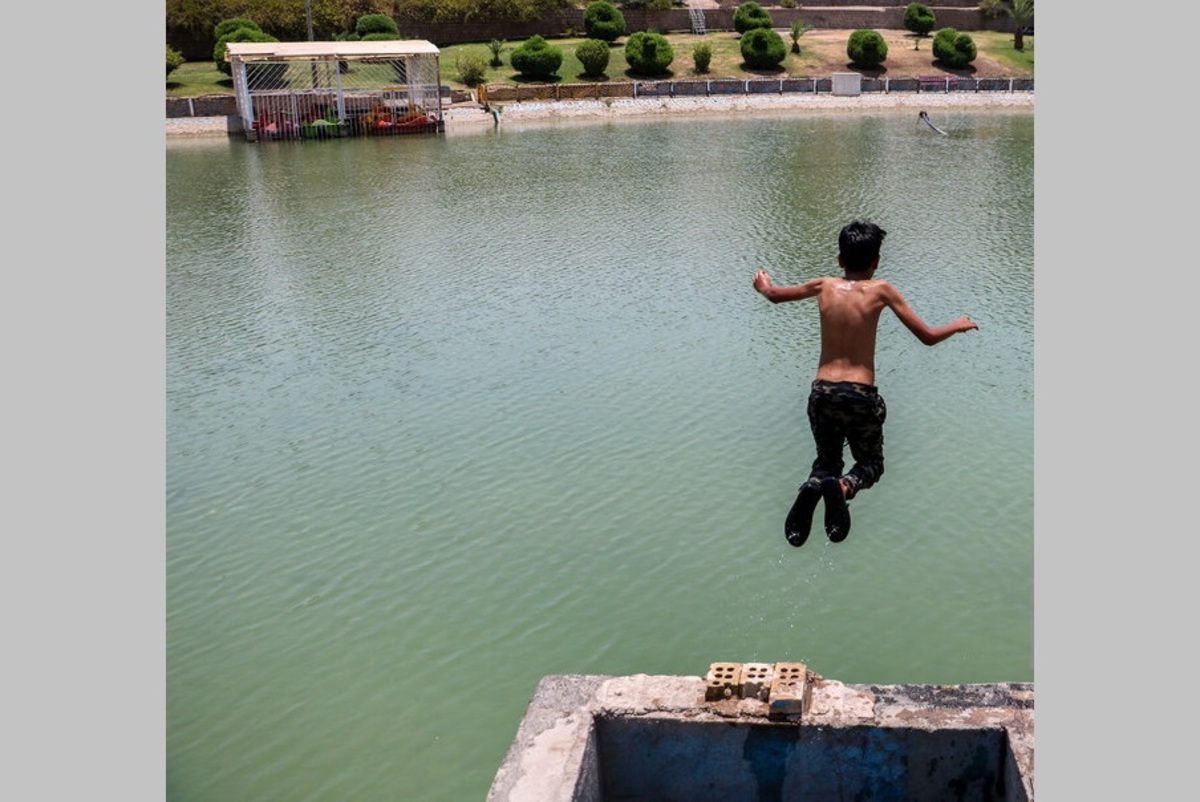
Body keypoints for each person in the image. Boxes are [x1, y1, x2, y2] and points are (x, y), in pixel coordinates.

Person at [752, 220, 978, 546]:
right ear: (876, 262)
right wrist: (957, 325)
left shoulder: (824, 285)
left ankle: (814, 486)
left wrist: (763, 283)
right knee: (871, 465)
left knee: (826, 463)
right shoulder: (882, 289)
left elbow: (774, 295)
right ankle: (843, 488)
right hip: (859, 394)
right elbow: (927, 337)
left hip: (822, 392)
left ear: (839, 260)